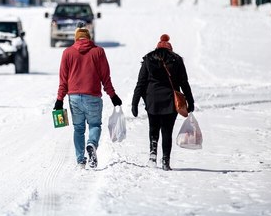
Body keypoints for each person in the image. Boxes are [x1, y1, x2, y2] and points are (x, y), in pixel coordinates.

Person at [54, 26, 122, 169]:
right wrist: (113, 95)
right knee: (95, 125)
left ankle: (80, 161)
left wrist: (59, 100)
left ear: (76, 38)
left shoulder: (67, 53)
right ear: (89, 38)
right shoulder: (98, 52)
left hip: (74, 98)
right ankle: (91, 144)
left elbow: (63, 80)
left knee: (78, 129)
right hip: (93, 96)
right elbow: (105, 77)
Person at [131, 34, 194, 171]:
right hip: (170, 101)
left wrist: (134, 102)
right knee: (167, 131)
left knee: (153, 128)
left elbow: (141, 83)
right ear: (170, 49)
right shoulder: (176, 60)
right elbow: (184, 83)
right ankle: (166, 161)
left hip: (152, 100)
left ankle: (153, 155)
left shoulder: (148, 59)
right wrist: (190, 101)